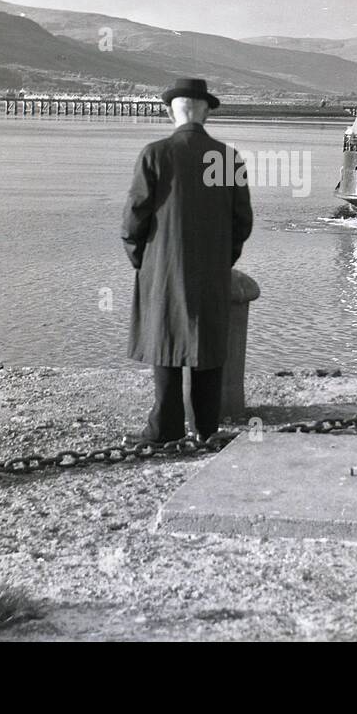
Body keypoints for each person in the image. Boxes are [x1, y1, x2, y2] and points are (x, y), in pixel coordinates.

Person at [121, 78, 254, 445]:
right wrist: (223, 259)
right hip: (211, 269)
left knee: (165, 344)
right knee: (207, 347)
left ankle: (165, 428)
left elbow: (134, 218)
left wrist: (142, 260)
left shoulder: (155, 154)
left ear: (171, 111)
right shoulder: (227, 158)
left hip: (162, 269)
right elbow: (242, 221)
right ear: (207, 111)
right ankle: (207, 429)